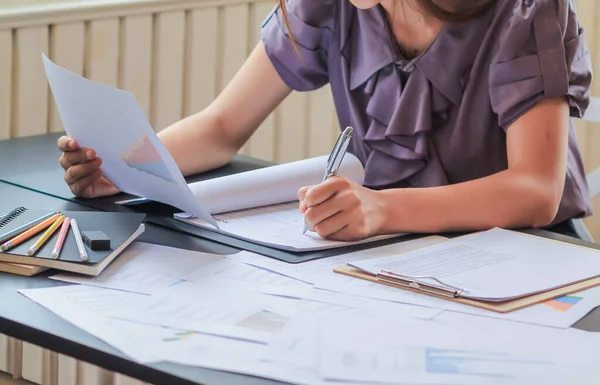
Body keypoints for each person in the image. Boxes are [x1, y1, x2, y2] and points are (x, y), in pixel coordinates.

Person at [57, 0, 594, 241]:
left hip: (524, 258)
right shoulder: (335, 4)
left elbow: (535, 190)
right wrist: (128, 168)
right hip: (398, 251)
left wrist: (382, 207)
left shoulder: (527, 9)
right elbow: (222, 126)